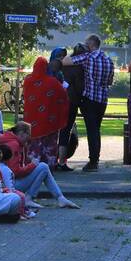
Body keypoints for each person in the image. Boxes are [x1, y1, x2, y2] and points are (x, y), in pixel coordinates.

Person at [61, 34, 114, 172]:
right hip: (102, 100)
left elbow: (65, 61)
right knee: (97, 129)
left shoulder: (87, 57)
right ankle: (95, 160)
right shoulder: (109, 60)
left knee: (92, 130)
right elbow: (110, 81)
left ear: (91, 44)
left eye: (86, 44)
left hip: (89, 99)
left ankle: (93, 162)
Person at [0, 122, 79, 209]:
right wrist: (32, 165)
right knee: (43, 167)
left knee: (42, 168)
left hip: (6, 183)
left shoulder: (11, 141)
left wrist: (29, 161)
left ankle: (59, 198)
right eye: (28, 136)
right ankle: (57, 198)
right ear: (22, 134)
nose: (28, 139)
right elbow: (16, 172)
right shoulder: (14, 144)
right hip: (10, 185)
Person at [22, 56, 70, 166]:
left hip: (31, 121)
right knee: (49, 145)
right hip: (49, 121)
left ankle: (32, 166)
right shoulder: (53, 82)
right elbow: (64, 96)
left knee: (34, 145)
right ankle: (49, 165)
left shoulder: (27, 80)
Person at [54, 44, 86, 172]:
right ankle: (62, 161)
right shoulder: (79, 68)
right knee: (66, 130)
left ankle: (52, 158)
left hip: (58, 101)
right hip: (71, 102)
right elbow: (79, 88)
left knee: (56, 130)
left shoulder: (62, 65)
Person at [0, 144, 35, 220]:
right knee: (21, 196)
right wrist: (12, 191)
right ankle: (21, 213)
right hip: (6, 190)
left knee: (20, 195)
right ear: (9, 158)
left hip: (2, 189)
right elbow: (9, 185)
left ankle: (25, 210)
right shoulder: (6, 170)